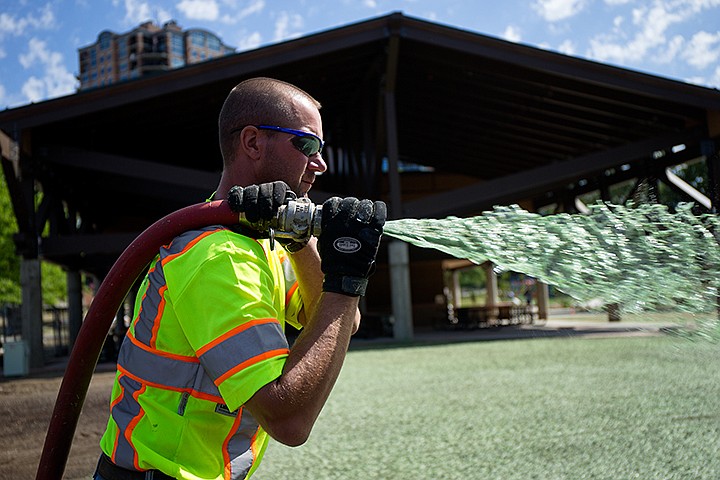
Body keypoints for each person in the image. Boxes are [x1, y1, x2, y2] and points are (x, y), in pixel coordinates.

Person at [94, 77, 386, 480]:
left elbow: (341, 320)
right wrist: (348, 278)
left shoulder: (264, 244)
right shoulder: (218, 255)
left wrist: (298, 240)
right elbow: (289, 420)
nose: (320, 164)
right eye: (308, 145)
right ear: (252, 143)